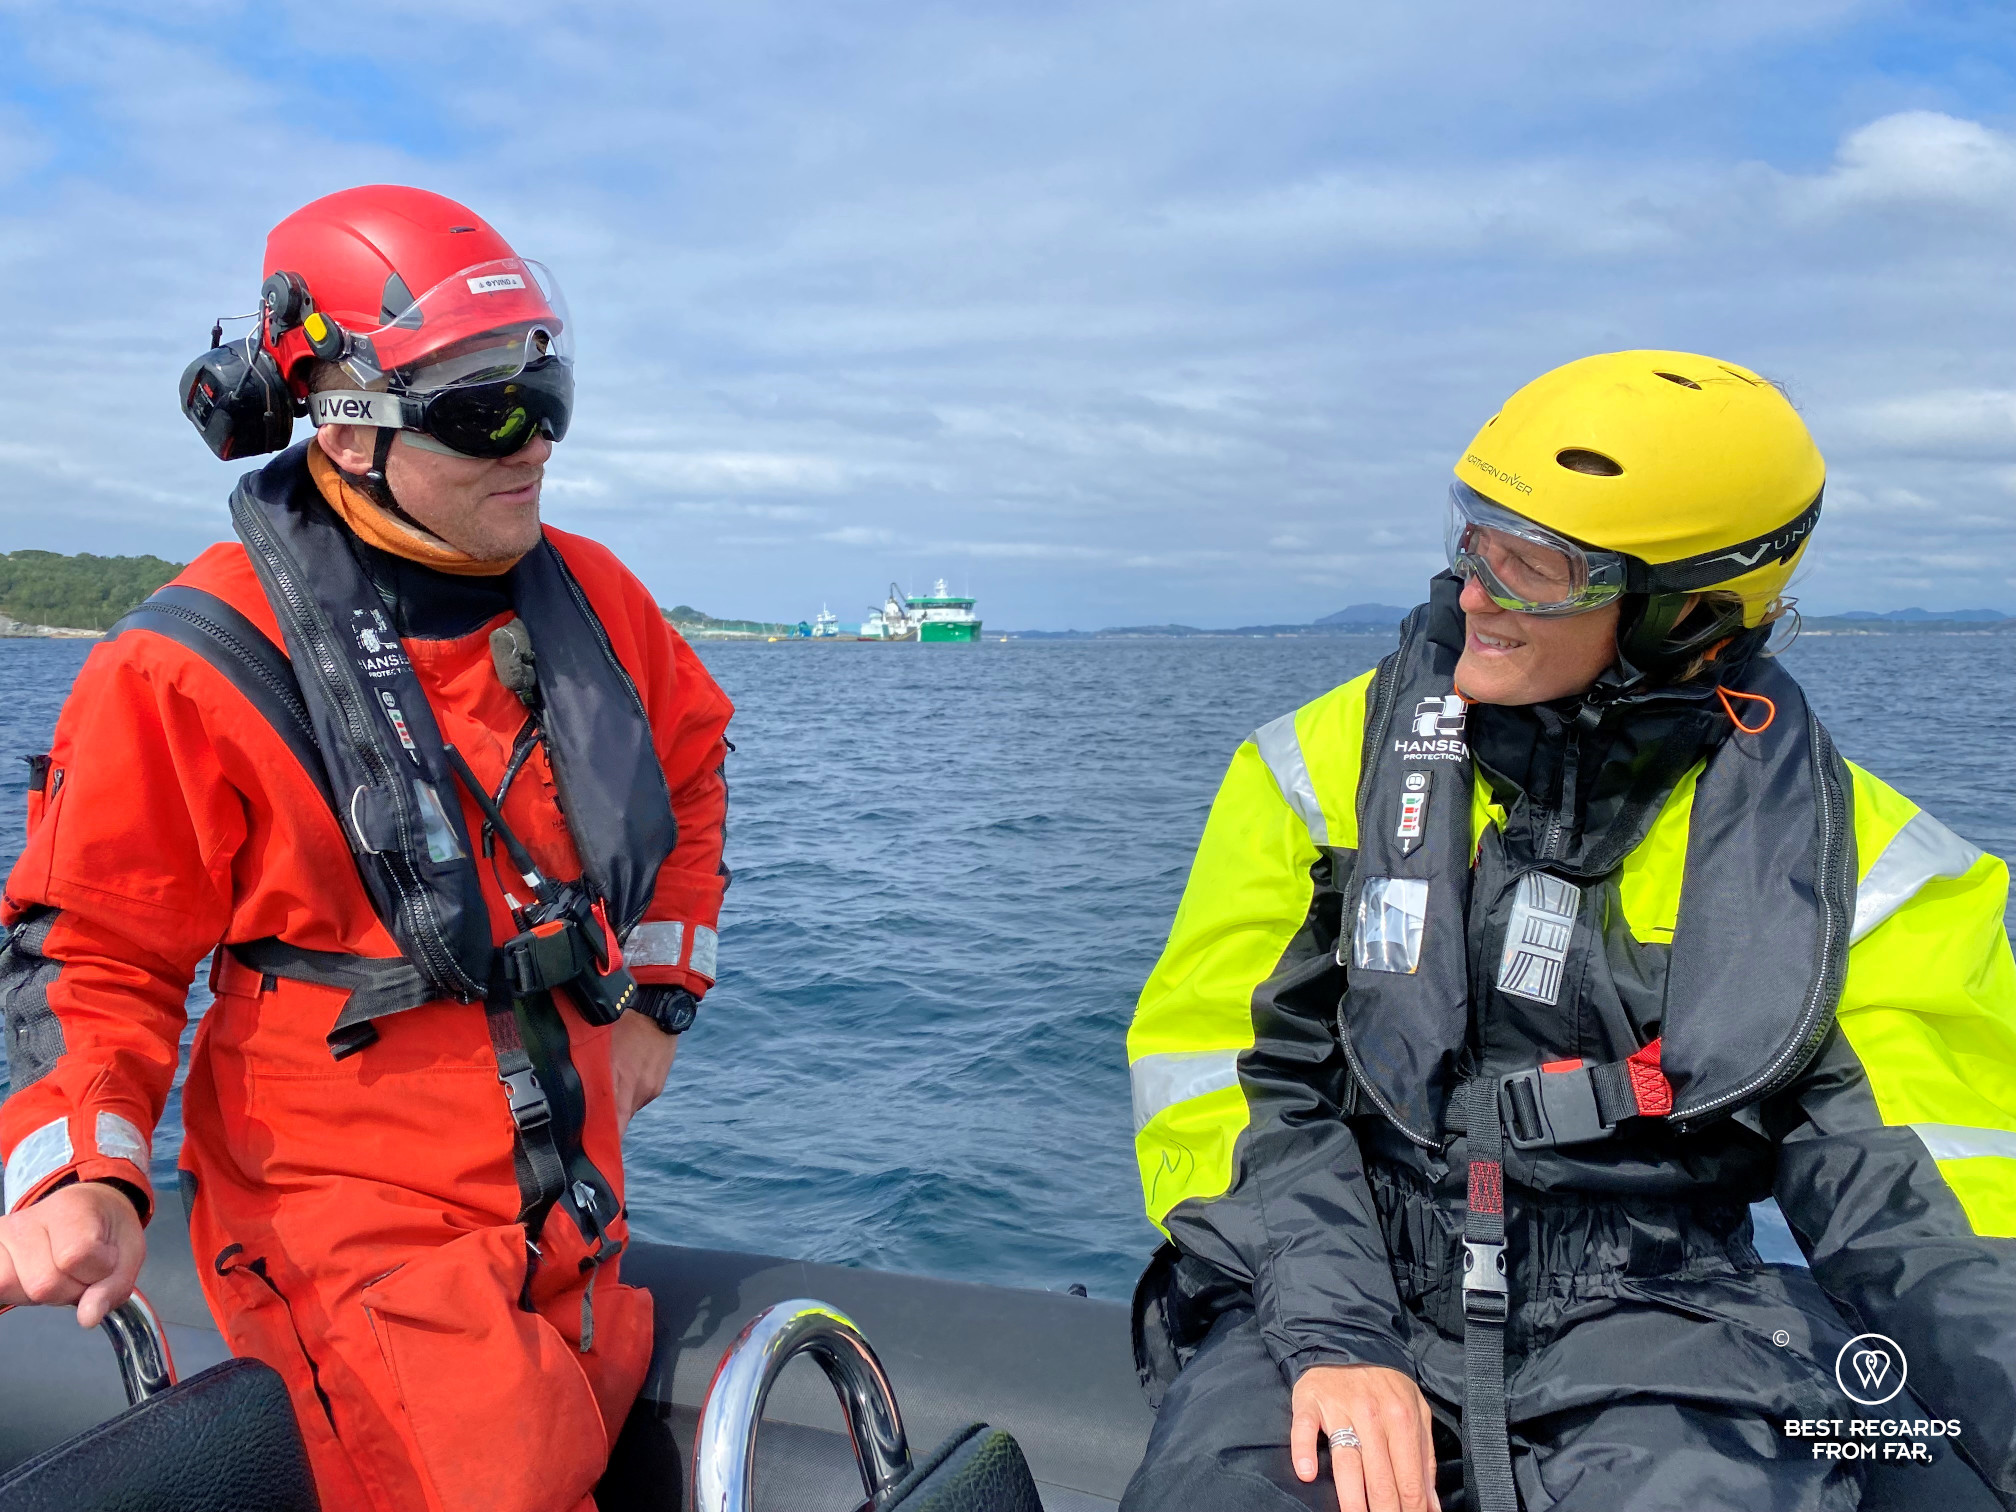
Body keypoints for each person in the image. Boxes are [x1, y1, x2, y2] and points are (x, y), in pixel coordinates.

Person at [1121, 351, 2016, 1512]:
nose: (1476, 594)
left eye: (1538, 569)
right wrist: (1333, 1328)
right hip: (1336, 1276)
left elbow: (1940, 1230)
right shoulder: (1315, 768)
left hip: (1670, 1319)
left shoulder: (1876, 874)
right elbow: (1223, 1084)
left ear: (1683, 614)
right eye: (1476, 538)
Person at [0, 186, 732, 1512]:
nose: (536, 447)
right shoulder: (187, 668)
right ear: (345, 424)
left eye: (546, 392)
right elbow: (90, 949)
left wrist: (662, 1007)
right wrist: (84, 1168)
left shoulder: (602, 605)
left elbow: (688, 764)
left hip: (571, 1209)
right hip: (354, 1242)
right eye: (482, 409)